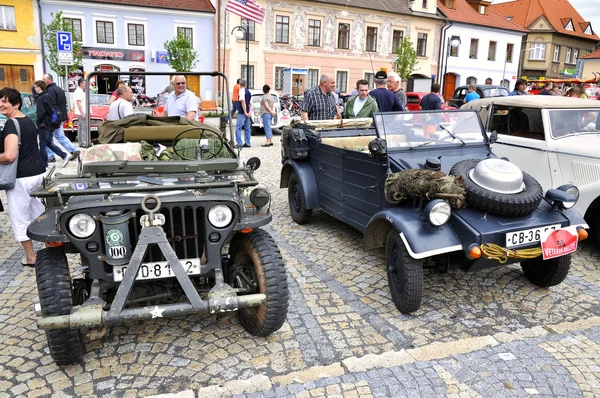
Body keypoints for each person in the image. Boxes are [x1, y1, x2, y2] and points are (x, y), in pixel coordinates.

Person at [0, 87, 47, 266]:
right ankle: (50, 246)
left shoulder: (12, 124)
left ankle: (31, 257)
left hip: (21, 178)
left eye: (5, 101)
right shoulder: (27, 120)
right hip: (38, 173)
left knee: (20, 217)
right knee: (40, 214)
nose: (1, 104)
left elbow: (10, 156)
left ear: (16, 103)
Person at [42, 73, 79, 162]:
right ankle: (73, 150)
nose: (42, 81)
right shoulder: (58, 89)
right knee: (57, 136)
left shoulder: (50, 91)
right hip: (61, 116)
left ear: (49, 80)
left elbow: (51, 106)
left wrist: (52, 120)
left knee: (50, 137)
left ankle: (51, 156)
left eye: (44, 79)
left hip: (55, 118)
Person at [33, 81, 70, 168]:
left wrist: (37, 122)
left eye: (35, 87)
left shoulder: (41, 98)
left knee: (42, 145)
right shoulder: (48, 96)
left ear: (39, 87)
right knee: (48, 142)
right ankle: (64, 155)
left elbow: (40, 113)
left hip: (44, 125)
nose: (34, 89)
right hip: (50, 124)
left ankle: (43, 163)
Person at [235, 79, 253, 148]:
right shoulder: (249, 92)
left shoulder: (241, 91)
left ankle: (239, 143)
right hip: (248, 113)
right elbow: (251, 104)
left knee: (238, 128)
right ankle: (247, 142)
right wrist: (249, 112)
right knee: (247, 128)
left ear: (240, 84)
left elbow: (243, 101)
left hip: (242, 112)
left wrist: (245, 111)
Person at [73, 78, 90, 147]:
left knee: (80, 127)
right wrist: (82, 113)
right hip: (82, 112)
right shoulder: (79, 92)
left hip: (80, 112)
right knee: (84, 128)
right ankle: (84, 143)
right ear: (81, 84)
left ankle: (81, 142)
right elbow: (78, 102)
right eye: (85, 83)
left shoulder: (80, 91)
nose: (86, 85)